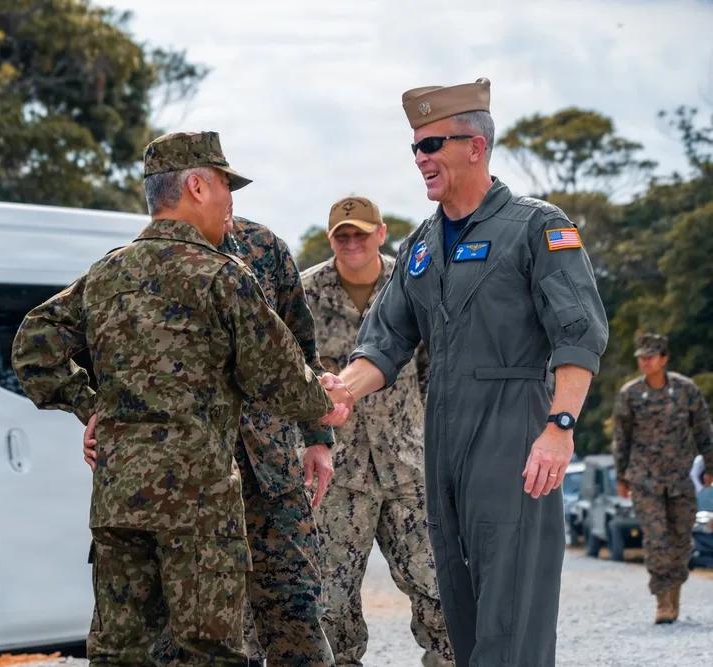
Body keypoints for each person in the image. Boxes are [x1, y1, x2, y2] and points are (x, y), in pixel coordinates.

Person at [12, 130, 346, 665]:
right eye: (223, 186)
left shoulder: (108, 272)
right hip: (198, 498)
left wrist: (89, 406)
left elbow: (33, 347)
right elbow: (280, 371)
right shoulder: (222, 276)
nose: (230, 199)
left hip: (122, 496)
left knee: (121, 650)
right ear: (195, 186)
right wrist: (324, 404)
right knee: (206, 649)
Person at [321, 78, 608, 666]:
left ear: (475, 147)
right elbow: (385, 340)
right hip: (441, 440)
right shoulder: (423, 243)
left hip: (513, 433)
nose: (421, 159)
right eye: (415, 149)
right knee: (460, 612)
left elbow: (578, 333)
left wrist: (560, 426)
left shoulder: (537, 227)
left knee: (511, 612)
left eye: (433, 145)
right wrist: (338, 392)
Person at [85, 213, 338, 665]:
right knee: (191, 634)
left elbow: (300, 349)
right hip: (186, 486)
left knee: (295, 611)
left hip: (269, 474)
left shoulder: (264, 247)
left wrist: (318, 437)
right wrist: (92, 408)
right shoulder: (144, 260)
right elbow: (101, 350)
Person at [302, 196, 452, 667]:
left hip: (408, 467)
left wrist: (428, 435)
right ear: (331, 241)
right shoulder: (304, 294)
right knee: (330, 601)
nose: (352, 243)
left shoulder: (410, 284)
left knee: (437, 588)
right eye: (342, 235)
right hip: (338, 474)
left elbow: (433, 370)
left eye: (361, 234)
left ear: (381, 233)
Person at [612, 332, 713, 624]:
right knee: (657, 540)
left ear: (664, 359)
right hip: (645, 480)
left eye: (651, 356)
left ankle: (674, 590)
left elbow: (704, 431)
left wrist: (709, 467)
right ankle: (662, 601)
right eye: (641, 357)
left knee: (681, 539)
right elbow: (623, 438)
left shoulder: (686, 390)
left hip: (680, 478)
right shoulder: (630, 394)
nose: (645, 362)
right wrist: (622, 476)